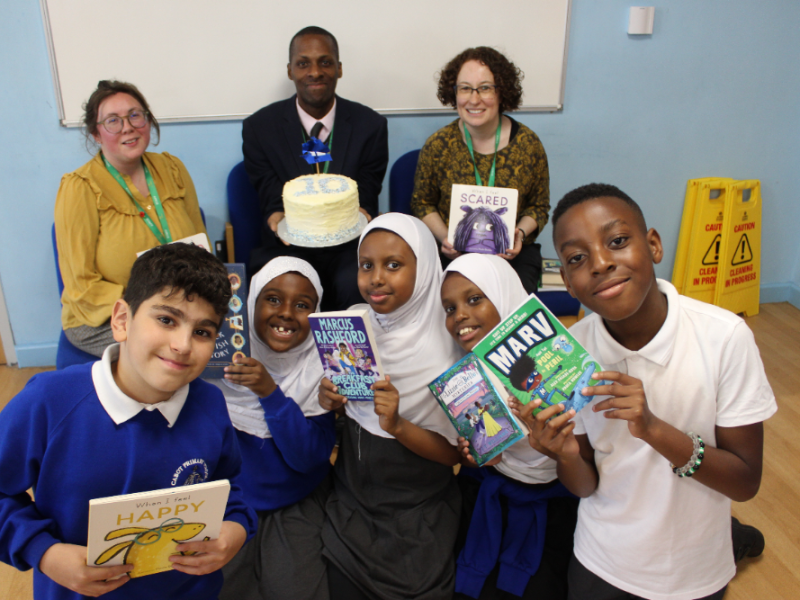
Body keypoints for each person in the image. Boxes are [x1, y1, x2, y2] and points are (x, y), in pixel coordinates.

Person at [518, 183, 777, 600]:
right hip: (601, 563)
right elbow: (585, 486)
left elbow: (745, 482)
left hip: (695, 571)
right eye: (578, 259)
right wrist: (563, 453)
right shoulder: (571, 354)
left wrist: (654, 429)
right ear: (566, 281)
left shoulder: (724, 337)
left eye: (617, 241)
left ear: (653, 245)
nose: (601, 264)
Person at [0, 243, 257, 600]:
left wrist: (236, 529)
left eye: (202, 332)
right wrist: (44, 552)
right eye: (166, 319)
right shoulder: (49, 402)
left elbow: (229, 487)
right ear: (122, 320)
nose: (183, 344)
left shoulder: (210, 403)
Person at [319, 214, 463, 600]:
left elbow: (454, 453)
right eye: (366, 265)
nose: (376, 278)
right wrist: (330, 400)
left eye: (394, 265)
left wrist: (398, 425)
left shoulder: (447, 351)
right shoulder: (353, 325)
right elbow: (346, 421)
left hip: (418, 518)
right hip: (351, 508)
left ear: (426, 267)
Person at [441, 253, 578, 600]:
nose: (460, 316)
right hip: (489, 492)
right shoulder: (463, 376)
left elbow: (590, 460)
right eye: (450, 308)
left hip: (557, 501)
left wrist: (552, 444)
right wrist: (474, 455)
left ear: (503, 293)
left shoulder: (560, 364)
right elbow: (475, 457)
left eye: (474, 299)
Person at [211, 257, 336, 600]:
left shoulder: (322, 368)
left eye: (302, 305)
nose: (285, 313)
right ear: (251, 303)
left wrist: (270, 392)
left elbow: (307, 459)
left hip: (296, 500)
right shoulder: (213, 368)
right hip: (228, 504)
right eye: (272, 299)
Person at [55, 80, 207, 357]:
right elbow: (81, 285)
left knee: (222, 337)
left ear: (147, 120)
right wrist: (155, 307)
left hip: (182, 304)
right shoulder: (80, 187)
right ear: (96, 133)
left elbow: (200, 247)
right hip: (110, 316)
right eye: (113, 120)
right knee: (171, 348)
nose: (127, 127)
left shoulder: (172, 169)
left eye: (135, 115)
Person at [243, 26, 389, 311]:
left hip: (350, 247)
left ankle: (350, 357)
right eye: (303, 63)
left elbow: (368, 190)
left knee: (355, 283)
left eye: (325, 62)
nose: (315, 72)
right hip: (288, 247)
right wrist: (276, 215)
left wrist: (364, 210)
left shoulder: (370, 125)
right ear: (290, 71)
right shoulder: (260, 127)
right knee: (290, 289)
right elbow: (270, 192)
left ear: (339, 68)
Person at [411, 47, 550, 294]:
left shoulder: (529, 144)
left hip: (511, 255)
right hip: (452, 255)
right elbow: (422, 203)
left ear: (501, 92)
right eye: (465, 88)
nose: (474, 100)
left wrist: (519, 233)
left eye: (485, 88)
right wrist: (447, 238)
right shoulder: (438, 145)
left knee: (512, 307)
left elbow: (538, 207)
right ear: (453, 93)